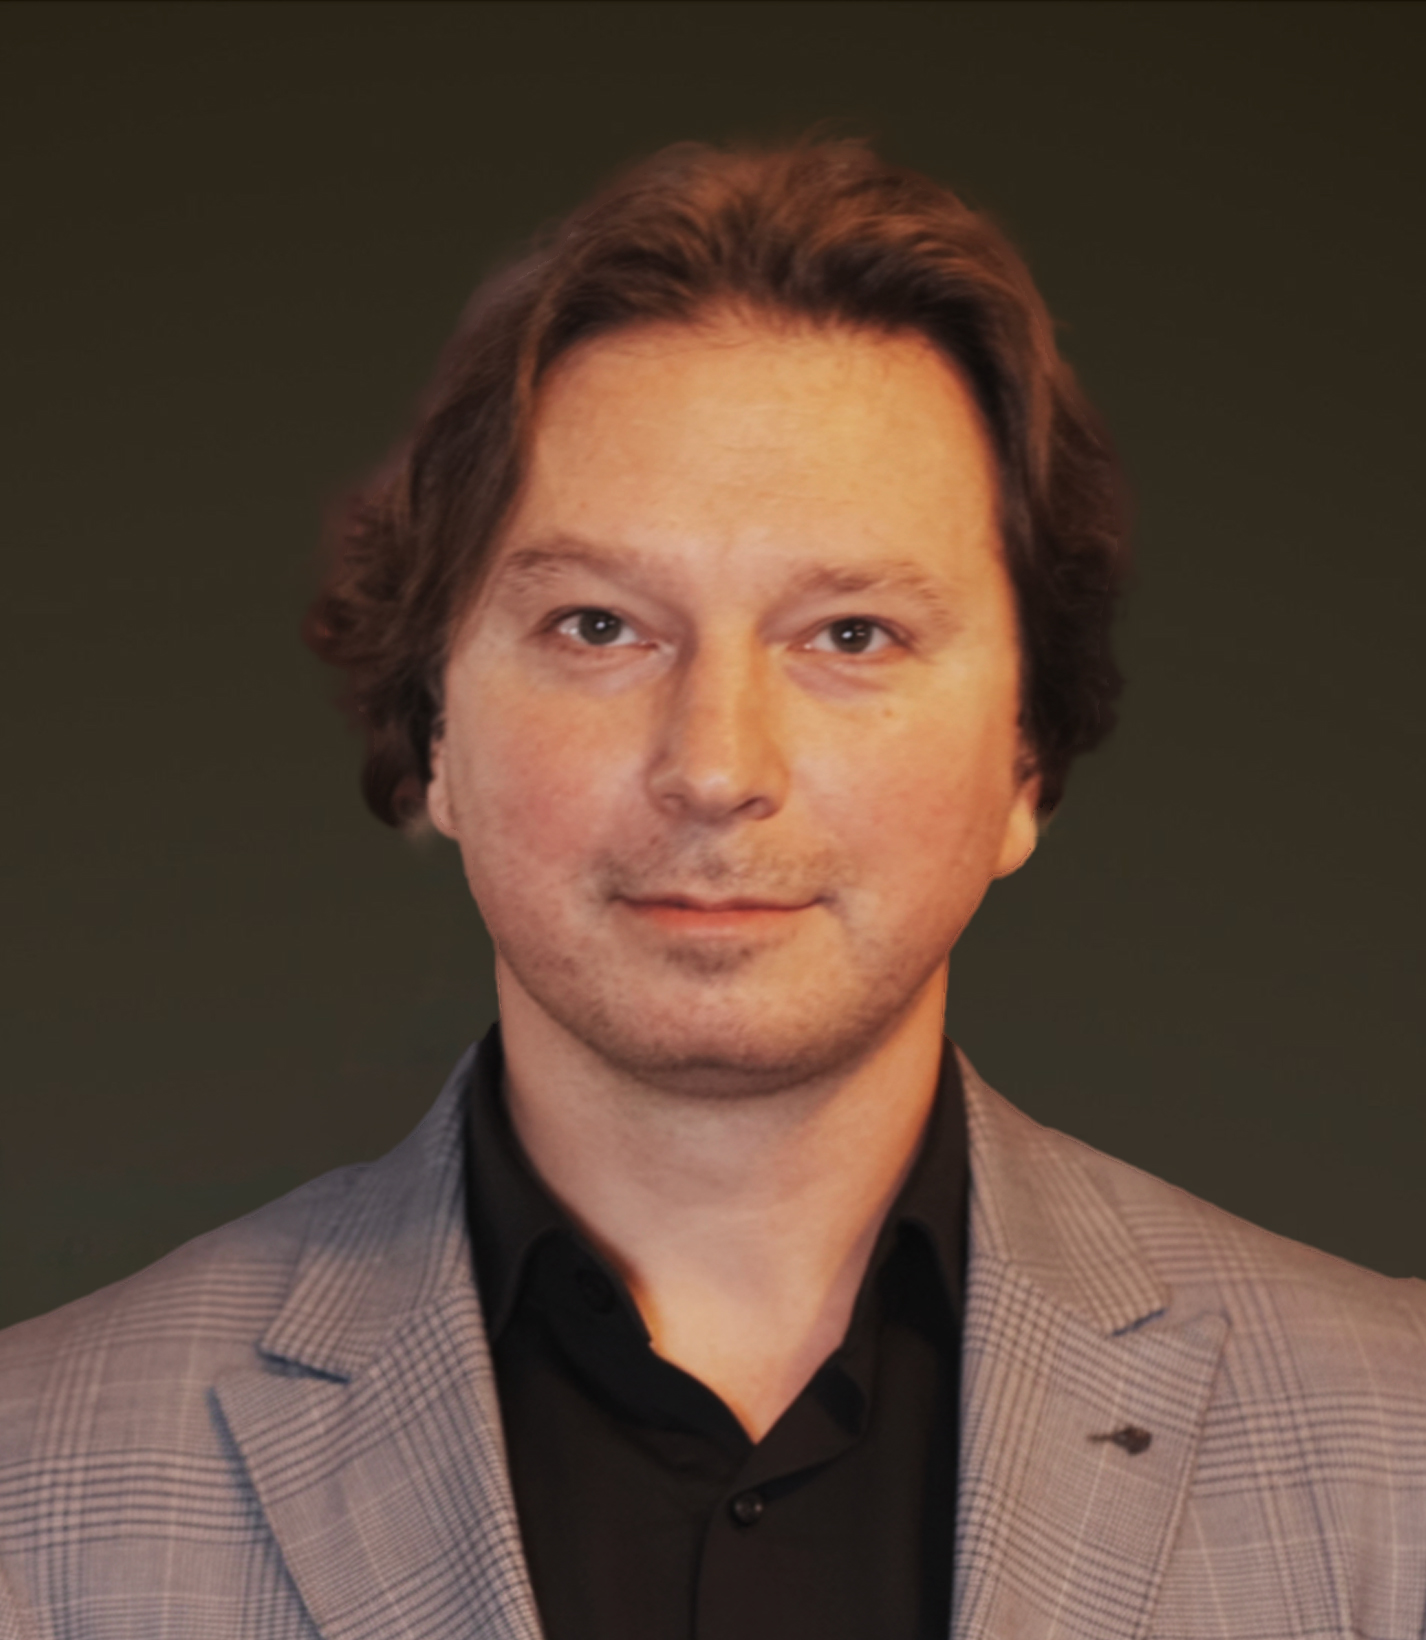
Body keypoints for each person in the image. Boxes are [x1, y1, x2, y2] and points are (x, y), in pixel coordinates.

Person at [1, 139, 1423, 1640]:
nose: (716, 766)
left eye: (852, 634)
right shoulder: (33, 1488)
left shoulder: (1397, 1447)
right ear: (435, 737)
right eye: (598, 627)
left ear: (1027, 758)